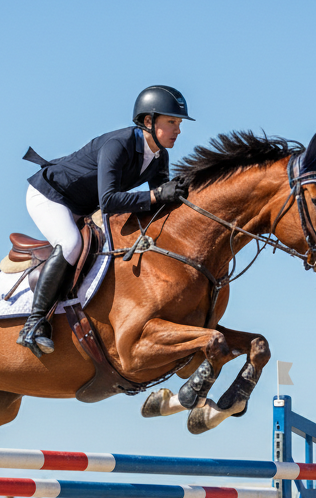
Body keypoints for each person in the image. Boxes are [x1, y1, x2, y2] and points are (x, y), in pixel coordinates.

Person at [16, 85, 193, 356]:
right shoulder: (118, 145)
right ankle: (33, 324)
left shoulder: (160, 156)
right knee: (71, 243)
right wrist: (156, 194)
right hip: (51, 196)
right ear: (148, 121)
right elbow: (110, 201)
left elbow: (158, 205)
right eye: (171, 122)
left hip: (84, 205)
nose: (178, 130)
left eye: (179, 123)